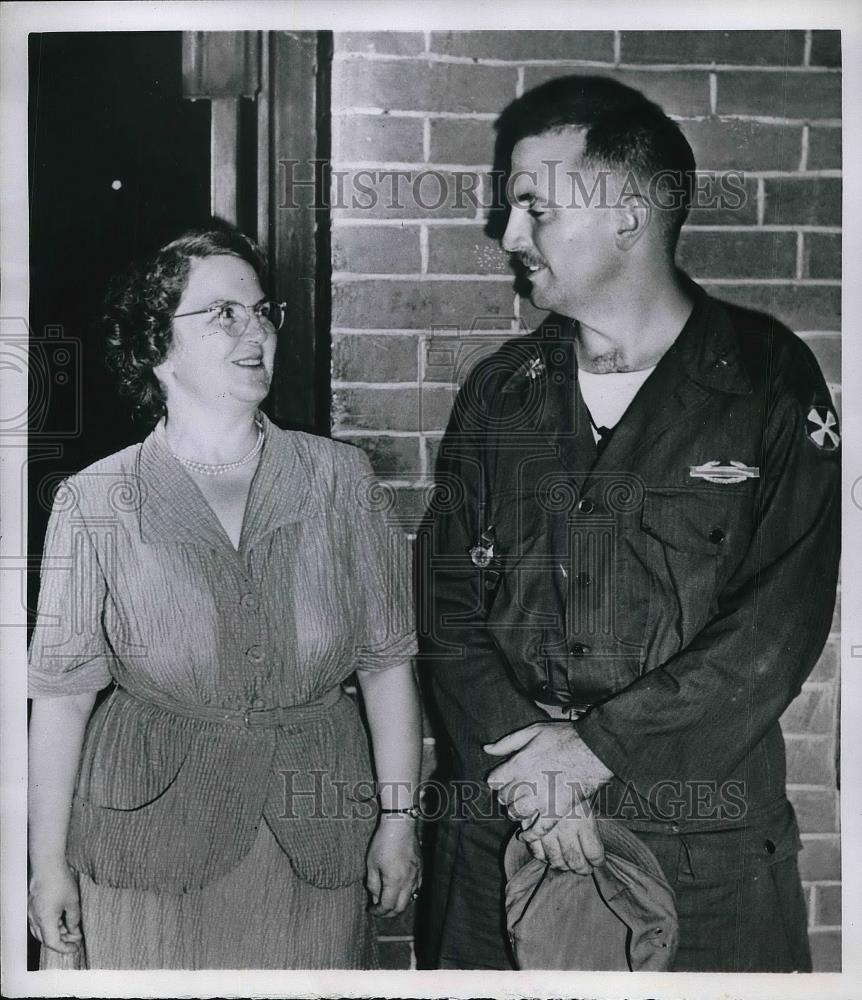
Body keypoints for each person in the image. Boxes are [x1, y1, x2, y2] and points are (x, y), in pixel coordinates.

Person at [420, 75, 839, 972]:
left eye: (533, 205)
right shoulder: (501, 391)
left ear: (629, 213)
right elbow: (444, 607)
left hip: (700, 846)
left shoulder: (768, 380)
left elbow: (778, 627)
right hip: (505, 819)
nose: (509, 236)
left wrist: (595, 754)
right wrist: (541, 784)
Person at [27, 226, 423, 970]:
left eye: (263, 311)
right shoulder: (96, 499)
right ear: (154, 345)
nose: (257, 331)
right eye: (224, 314)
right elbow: (63, 696)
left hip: (315, 838)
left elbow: (386, 666)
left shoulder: (340, 480)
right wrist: (46, 863)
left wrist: (399, 821)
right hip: (147, 845)